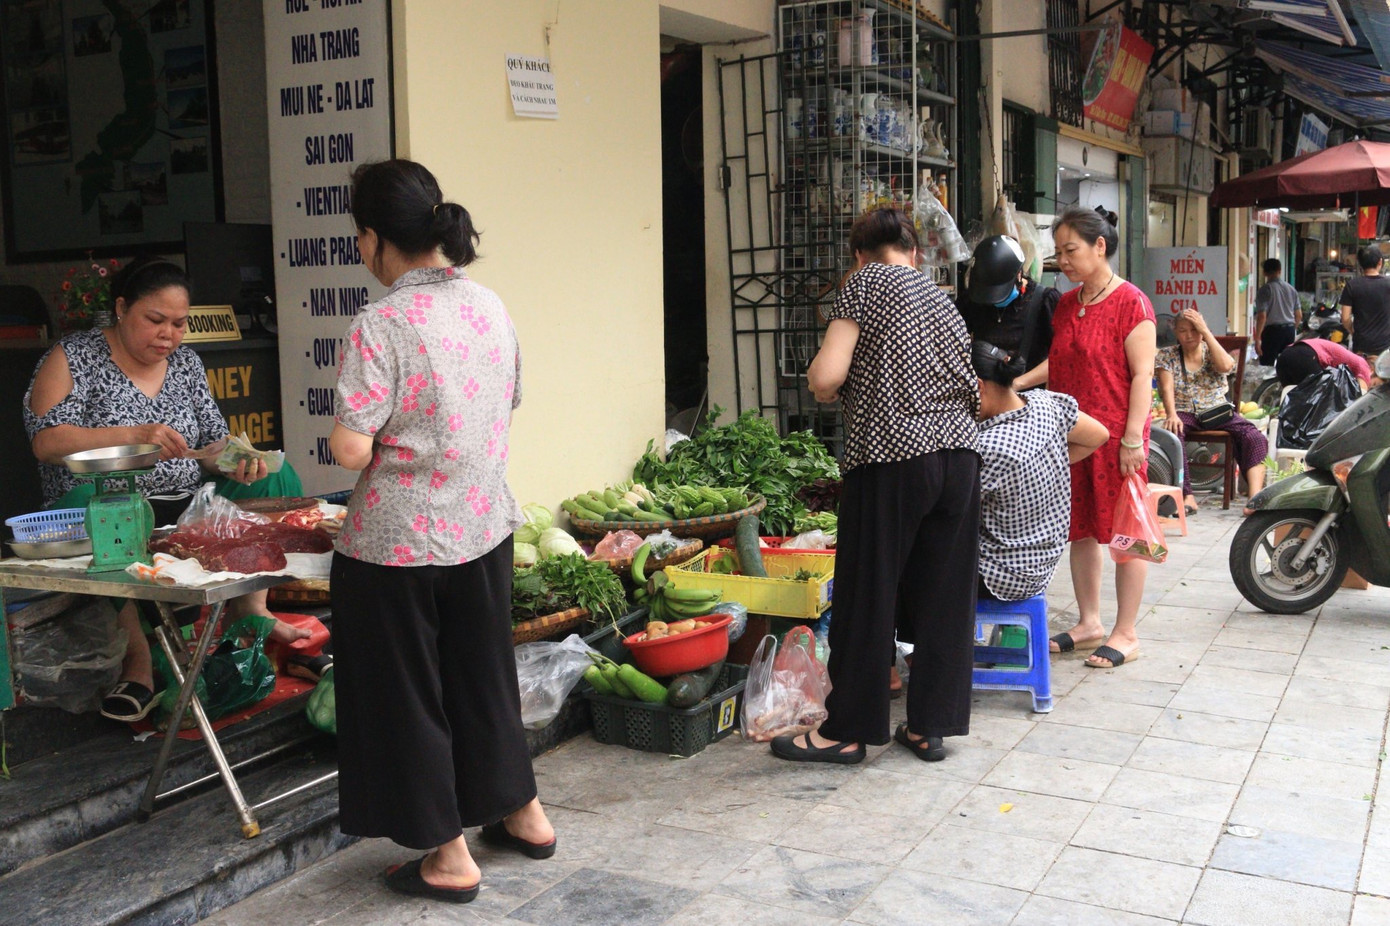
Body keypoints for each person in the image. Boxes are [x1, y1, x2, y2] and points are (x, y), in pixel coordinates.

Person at [328, 158, 553, 904]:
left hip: (396, 546)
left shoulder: (381, 324)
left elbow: (352, 449)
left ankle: (450, 856)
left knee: (408, 697)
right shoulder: (488, 303)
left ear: (371, 238)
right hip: (482, 525)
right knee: (483, 680)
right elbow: (508, 399)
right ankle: (523, 814)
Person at [23, 258, 307, 722]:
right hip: (106, 505)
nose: (168, 335)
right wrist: (136, 434)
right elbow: (47, 441)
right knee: (106, 510)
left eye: (179, 323)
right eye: (155, 320)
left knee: (276, 476)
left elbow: (211, 444)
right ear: (121, 308)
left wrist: (235, 460)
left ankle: (249, 610)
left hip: (185, 501)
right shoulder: (73, 356)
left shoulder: (186, 363)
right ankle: (138, 658)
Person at [781, 206, 980, 765]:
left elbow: (827, 375)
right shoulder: (941, 298)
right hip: (960, 456)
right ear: (914, 252)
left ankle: (847, 730)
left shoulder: (864, 284)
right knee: (944, 596)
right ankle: (929, 727)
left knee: (868, 592)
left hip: (893, 455)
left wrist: (823, 386)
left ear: (858, 255)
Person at [1033, 206, 1156, 669]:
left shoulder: (1132, 303)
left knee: (1127, 532)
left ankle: (1127, 632)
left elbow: (1142, 375)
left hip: (1119, 437)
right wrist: (1016, 383)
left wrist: (1133, 439)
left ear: (1099, 246)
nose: (1062, 260)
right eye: (1058, 252)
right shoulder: (1067, 304)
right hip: (1074, 434)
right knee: (1080, 529)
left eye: (1071, 250)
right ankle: (1089, 623)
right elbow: (1061, 362)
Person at [973, 340, 1108, 603]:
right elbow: (1098, 435)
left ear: (978, 386)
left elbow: (948, 507)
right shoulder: (1046, 404)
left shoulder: (989, 446)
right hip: (1042, 566)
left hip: (1000, 575)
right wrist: (1044, 463)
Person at [1156, 309, 1268, 516]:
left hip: (1216, 411)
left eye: (1194, 330)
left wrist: (1206, 332)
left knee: (1254, 437)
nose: (1189, 335)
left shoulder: (1211, 350)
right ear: (1176, 332)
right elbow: (1166, 387)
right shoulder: (1167, 355)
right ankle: (1187, 496)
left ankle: (1254, 498)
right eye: (1183, 331)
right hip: (1185, 411)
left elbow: (1226, 366)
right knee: (1174, 434)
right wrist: (1171, 414)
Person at [957, 234, 1059, 386]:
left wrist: (1017, 385)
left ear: (1019, 275)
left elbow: (1061, 357)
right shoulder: (972, 301)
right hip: (984, 392)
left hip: (1027, 394)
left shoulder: (1044, 301)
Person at [1339, 246, 1390, 364]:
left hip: (1361, 345)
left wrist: (1353, 331)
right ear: (1380, 262)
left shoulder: (1352, 285)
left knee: (1361, 372)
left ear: (1360, 263)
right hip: (1385, 345)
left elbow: (1345, 318)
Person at [1275, 337, 1376, 391]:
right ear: (1374, 370)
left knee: (1292, 402)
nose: (1371, 386)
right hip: (1305, 356)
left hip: (1286, 354)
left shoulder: (1354, 360)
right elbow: (1361, 395)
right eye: (1374, 384)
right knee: (1320, 399)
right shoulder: (1364, 366)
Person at [1254, 258, 1302, 367]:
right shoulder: (1291, 289)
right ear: (1279, 271)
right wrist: (1292, 328)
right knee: (1287, 364)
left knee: (1267, 365)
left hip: (1272, 332)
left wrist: (1257, 339)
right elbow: (1299, 315)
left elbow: (1262, 316)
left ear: (1264, 272)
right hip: (1289, 331)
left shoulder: (1265, 290)